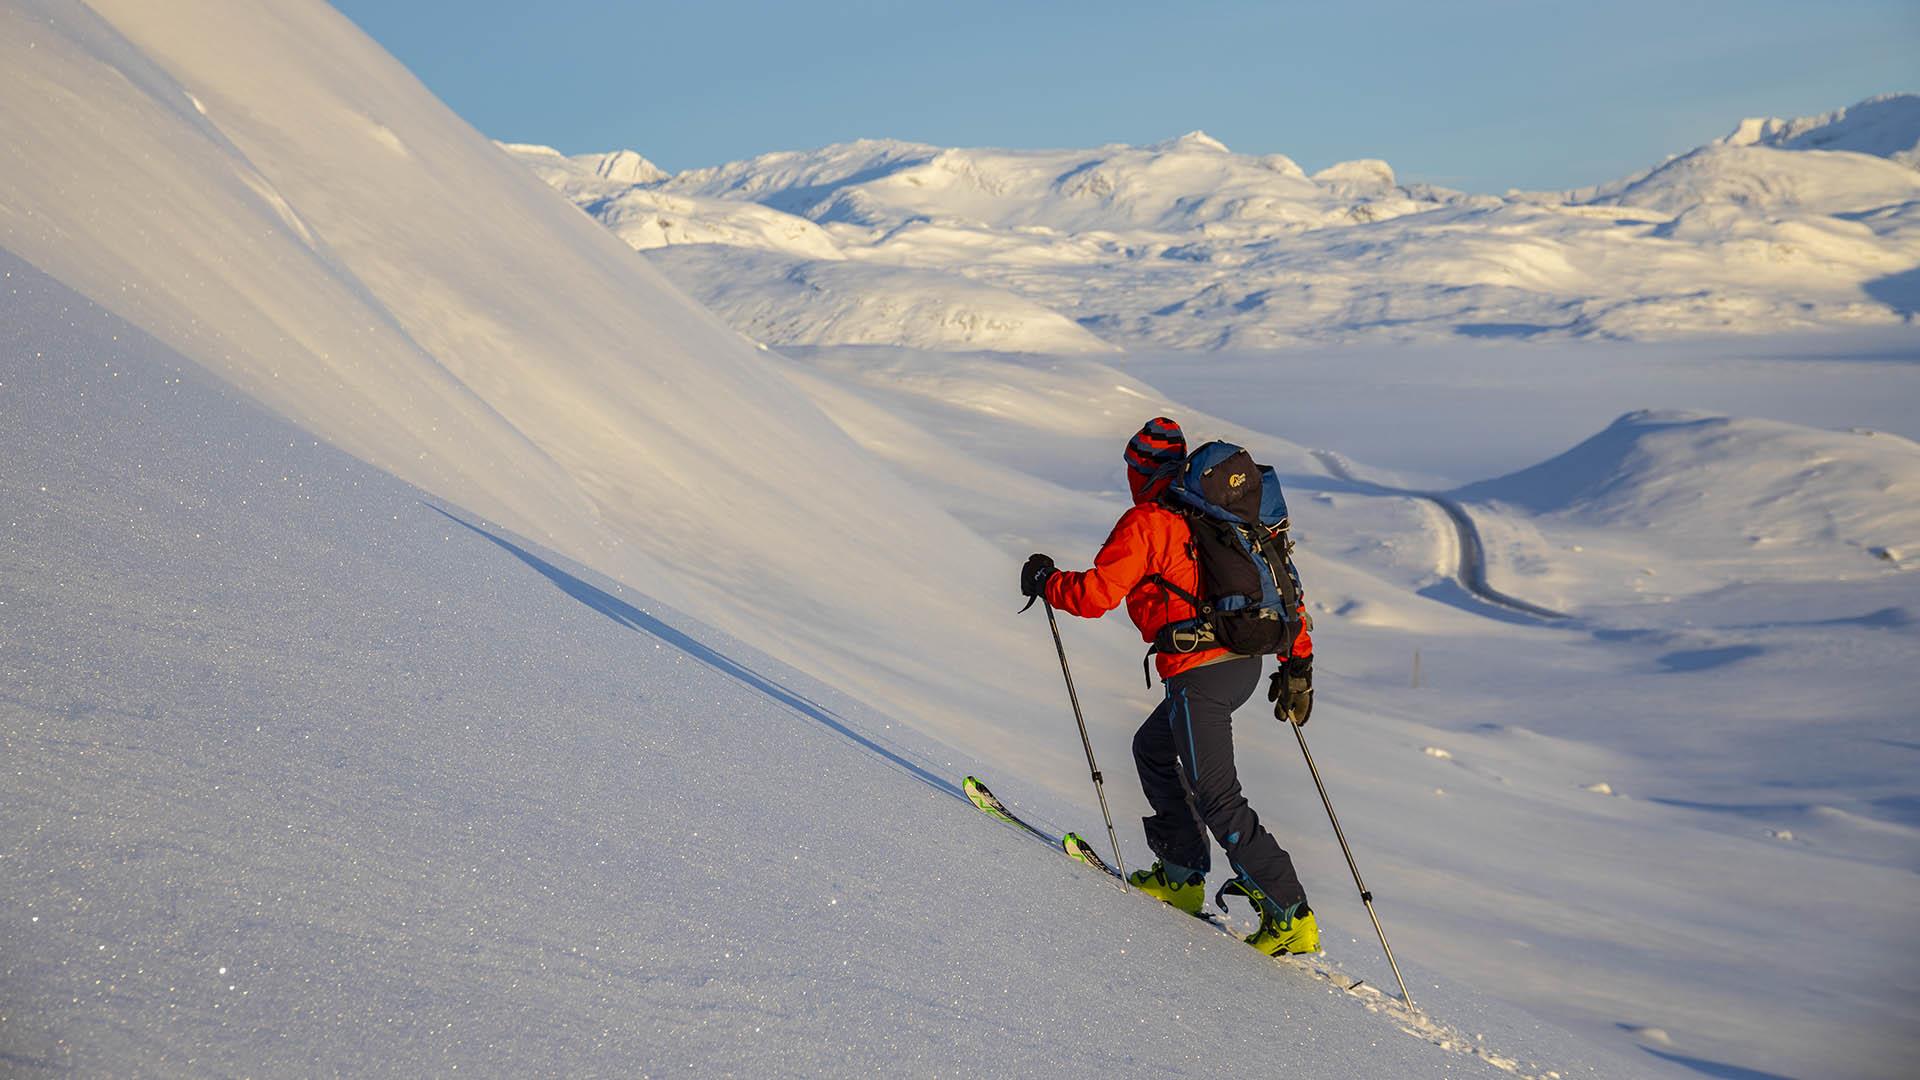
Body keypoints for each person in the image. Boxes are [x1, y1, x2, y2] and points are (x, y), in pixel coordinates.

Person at [1019, 417, 1320, 955]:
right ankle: (1181, 876)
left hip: (1199, 674)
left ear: (1139, 471)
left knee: (1218, 797)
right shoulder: (1223, 519)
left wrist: (1046, 582)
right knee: (1152, 748)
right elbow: (1284, 589)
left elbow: (1093, 597)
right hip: (1243, 664)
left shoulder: (1150, 521)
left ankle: (1290, 912)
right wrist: (1298, 666)